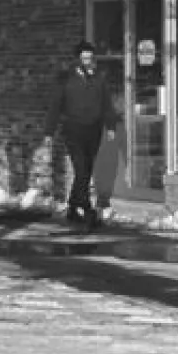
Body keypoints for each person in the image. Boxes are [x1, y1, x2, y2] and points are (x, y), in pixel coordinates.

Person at [44, 40, 120, 228]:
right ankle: (87, 208)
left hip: (93, 130)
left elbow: (107, 104)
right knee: (82, 169)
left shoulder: (98, 79)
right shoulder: (66, 79)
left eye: (89, 58)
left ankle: (72, 207)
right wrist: (49, 132)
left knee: (86, 169)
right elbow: (55, 106)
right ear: (77, 59)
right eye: (83, 58)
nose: (87, 61)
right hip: (74, 130)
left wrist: (110, 126)